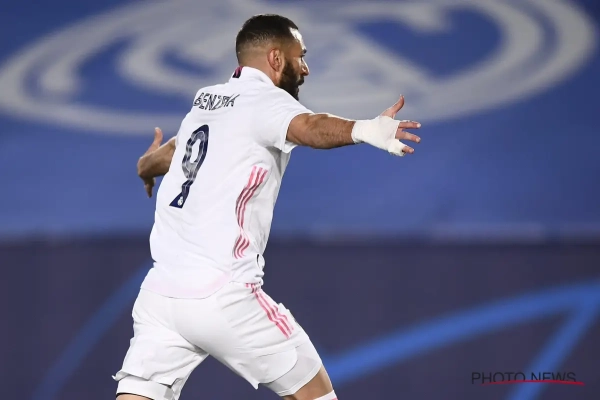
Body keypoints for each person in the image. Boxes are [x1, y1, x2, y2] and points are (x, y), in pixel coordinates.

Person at [114, 13, 421, 400]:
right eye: (301, 56)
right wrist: (366, 129)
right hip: (222, 294)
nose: (305, 68)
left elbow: (177, 150)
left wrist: (145, 166)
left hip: (161, 295)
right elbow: (309, 127)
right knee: (315, 394)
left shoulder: (207, 101)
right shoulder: (265, 100)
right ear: (276, 59)